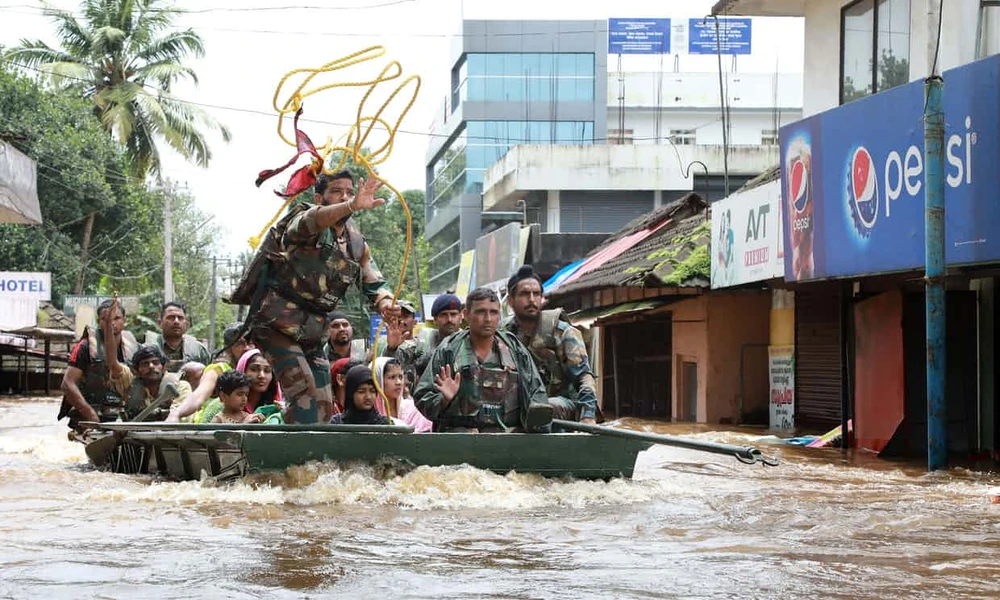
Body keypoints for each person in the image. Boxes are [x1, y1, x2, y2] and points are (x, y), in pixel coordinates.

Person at [247, 169, 400, 424]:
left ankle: (309, 458)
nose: (345, 196)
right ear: (319, 198)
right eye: (336, 191)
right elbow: (314, 220)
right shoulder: (305, 219)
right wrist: (350, 204)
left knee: (324, 407)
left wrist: (385, 302)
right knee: (304, 398)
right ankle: (291, 460)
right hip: (275, 322)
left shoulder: (356, 242)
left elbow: (372, 278)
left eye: (350, 192)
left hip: (312, 329)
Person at [413, 287, 553, 433]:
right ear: (466, 314)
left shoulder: (514, 349)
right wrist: (443, 400)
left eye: (493, 312)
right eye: (480, 312)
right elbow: (422, 396)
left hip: (509, 442)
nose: (488, 319)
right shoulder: (449, 349)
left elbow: (537, 395)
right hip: (460, 444)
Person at [504, 265, 599, 424]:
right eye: (525, 294)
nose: (532, 299)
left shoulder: (562, 332)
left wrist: (588, 415)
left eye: (536, 294)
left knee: (545, 407)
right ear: (510, 301)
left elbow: (585, 377)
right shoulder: (503, 335)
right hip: (519, 406)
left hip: (560, 405)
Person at [58, 297, 139, 432]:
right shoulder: (85, 347)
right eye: (105, 319)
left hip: (122, 413)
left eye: (116, 318)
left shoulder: (135, 347)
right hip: (92, 410)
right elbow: (67, 384)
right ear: (99, 321)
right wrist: (90, 415)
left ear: (125, 320)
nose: (111, 323)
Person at [166, 322, 251, 422]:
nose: (247, 348)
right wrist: (177, 413)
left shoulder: (262, 371)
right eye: (240, 344)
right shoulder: (219, 370)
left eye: (250, 343)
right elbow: (198, 395)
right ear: (228, 349)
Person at [383, 293, 463, 382]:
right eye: (444, 315)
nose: (449, 320)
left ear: (461, 316)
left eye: (453, 314)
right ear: (435, 320)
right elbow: (392, 368)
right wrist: (392, 349)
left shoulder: (470, 340)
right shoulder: (422, 343)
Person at [194, 348, 283, 424]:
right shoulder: (219, 406)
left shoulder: (276, 406)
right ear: (242, 369)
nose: (262, 375)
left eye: (267, 370)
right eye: (254, 369)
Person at [124, 344, 192, 421]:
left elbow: (183, 417)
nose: (151, 366)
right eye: (145, 364)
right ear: (136, 371)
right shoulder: (130, 389)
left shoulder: (181, 387)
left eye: (155, 362)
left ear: (164, 367)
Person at [145, 301, 211, 372]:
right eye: (171, 317)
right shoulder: (148, 349)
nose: (176, 321)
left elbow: (209, 373)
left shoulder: (198, 350)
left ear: (186, 324)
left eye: (180, 318)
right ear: (160, 323)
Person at [374, 357, 432, 432]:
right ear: (378, 380)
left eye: (400, 377)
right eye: (392, 377)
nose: (399, 382)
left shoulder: (413, 410)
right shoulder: (370, 412)